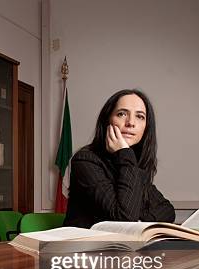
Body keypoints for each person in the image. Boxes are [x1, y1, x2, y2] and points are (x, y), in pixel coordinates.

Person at [64, 89, 175, 228]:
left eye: (140, 116)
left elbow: (167, 210)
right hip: (83, 247)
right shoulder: (85, 161)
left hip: (121, 247)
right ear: (107, 120)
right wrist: (124, 152)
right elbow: (125, 217)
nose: (130, 123)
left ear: (146, 127)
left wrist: (139, 220)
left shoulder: (135, 165)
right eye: (122, 114)